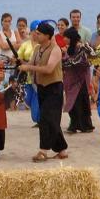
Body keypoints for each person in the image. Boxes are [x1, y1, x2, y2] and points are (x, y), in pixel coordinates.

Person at [19, 22, 67, 161]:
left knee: (47, 119)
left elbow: (48, 69)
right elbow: (32, 64)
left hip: (54, 87)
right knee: (50, 120)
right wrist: (22, 66)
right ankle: (62, 150)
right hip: (41, 88)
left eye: (39, 33)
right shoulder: (38, 48)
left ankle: (43, 150)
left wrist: (29, 69)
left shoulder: (55, 49)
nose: (36, 35)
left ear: (47, 35)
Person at [61, 27, 94, 134]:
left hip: (80, 80)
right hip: (70, 80)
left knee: (81, 103)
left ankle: (84, 125)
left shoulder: (81, 48)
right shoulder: (69, 49)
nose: (64, 39)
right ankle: (75, 124)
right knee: (72, 103)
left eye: (66, 37)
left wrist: (68, 61)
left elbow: (85, 62)